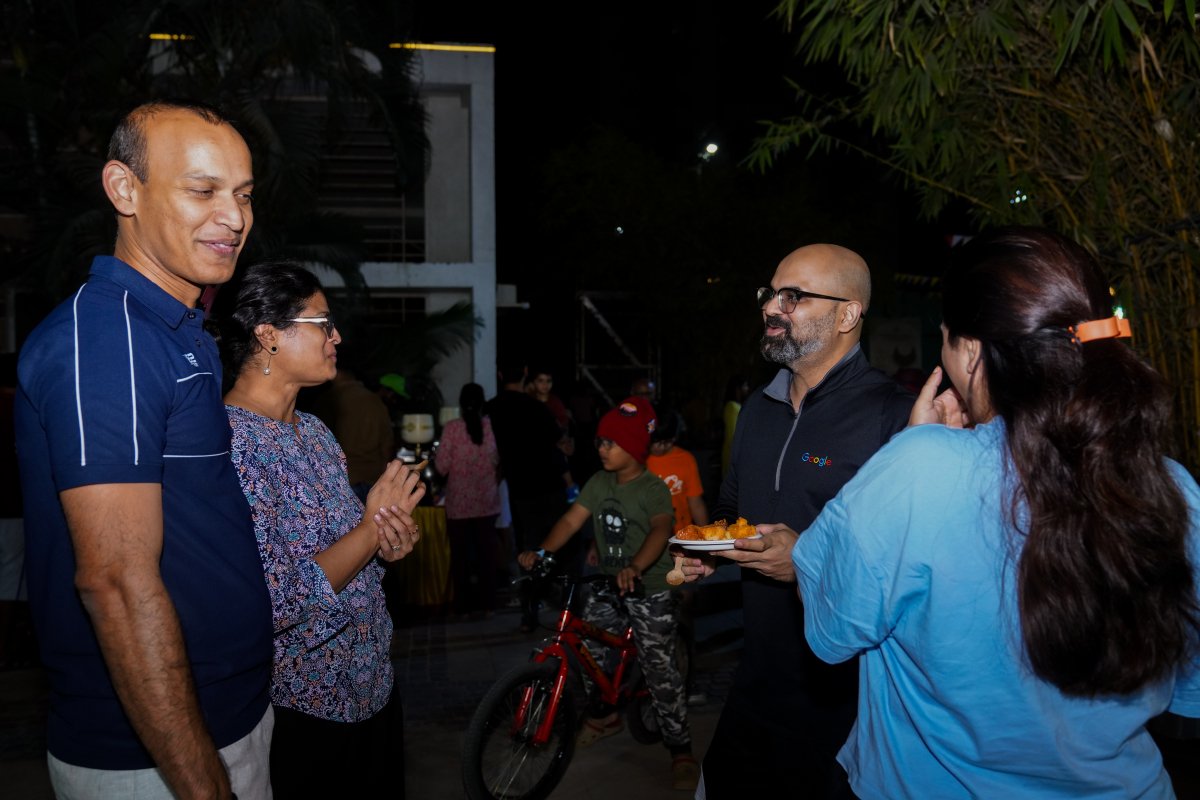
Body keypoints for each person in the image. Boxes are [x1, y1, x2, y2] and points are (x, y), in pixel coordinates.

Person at [792, 227, 1200, 797]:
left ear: (971, 352)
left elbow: (831, 627)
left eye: (944, 337)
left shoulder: (919, 472)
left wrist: (912, 448)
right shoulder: (1171, 488)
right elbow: (1186, 687)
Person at [14, 101, 273, 799]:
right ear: (124, 188)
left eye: (244, 194)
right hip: (154, 754)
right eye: (203, 190)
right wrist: (203, 786)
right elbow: (117, 584)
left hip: (225, 716)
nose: (234, 217)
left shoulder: (173, 328)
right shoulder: (109, 342)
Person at [680, 244, 913, 797]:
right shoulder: (758, 410)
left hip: (848, 702)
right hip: (756, 683)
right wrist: (706, 547)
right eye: (770, 294)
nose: (771, 307)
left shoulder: (895, 416)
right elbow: (733, 507)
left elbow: (909, 564)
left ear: (847, 314)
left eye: (794, 296)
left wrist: (807, 559)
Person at [218, 261, 424, 797]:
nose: (337, 337)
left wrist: (385, 542)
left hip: (373, 688)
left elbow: (346, 550)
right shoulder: (230, 445)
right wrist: (371, 529)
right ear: (268, 334)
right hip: (305, 709)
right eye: (322, 323)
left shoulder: (314, 431)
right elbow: (277, 601)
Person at [518, 396, 699, 791]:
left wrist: (637, 566)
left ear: (633, 448)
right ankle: (605, 716)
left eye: (610, 443)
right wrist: (543, 552)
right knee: (589, 652)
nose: (601, 448)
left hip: (648, 586)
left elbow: (660, 529)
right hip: (608, 581)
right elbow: (571, 520)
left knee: (659, 668)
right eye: (600, 441)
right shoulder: (599, 483)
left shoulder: (652, 488)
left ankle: (680, 747)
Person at [486, 361, 570, 631]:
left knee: (527, 550)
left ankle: (530, 611)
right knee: (558, 544)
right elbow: (558, 439)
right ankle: (566, 607)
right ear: (524, 374)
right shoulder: (536, 407)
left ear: (500, 375)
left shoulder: (492, 409)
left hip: (520, 489)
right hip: (549, 485)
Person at [436, 382, 502, 618]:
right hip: (487, 501)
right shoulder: (492, 427)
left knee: (460, 558)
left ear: (462, 404)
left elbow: (441, 466)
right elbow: (498, 461)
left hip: (459, 504)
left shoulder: (452, 429)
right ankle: (489, 605)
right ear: (483, 403)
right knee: (487, 557)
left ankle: (463, 607)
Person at [311, 363, 395, 504]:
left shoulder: (327, 401)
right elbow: (387, 445)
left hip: (341, 481)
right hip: (373, 481)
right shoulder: (374, 401)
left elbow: (316, 447)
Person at [646, 407, 708, 532]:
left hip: (682, 533)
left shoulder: (685, 459)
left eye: (667, 442)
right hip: (648, 533)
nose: (661, 447)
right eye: (656, 442)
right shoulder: (639, 459)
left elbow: (695, 503)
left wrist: (706, 534)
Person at [720, 375, 749, 477]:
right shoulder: (732, 407)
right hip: (733, 457)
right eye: (745, 386)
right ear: (737, 389)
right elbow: (733, 435)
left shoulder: (737, 406)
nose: (747, 388)